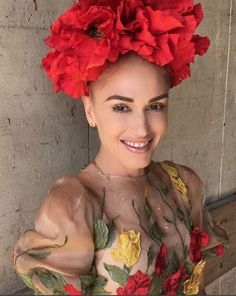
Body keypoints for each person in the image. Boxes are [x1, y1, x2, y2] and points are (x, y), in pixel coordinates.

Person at [12, 1, 229, 295]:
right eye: (121, 107)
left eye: (155, 105)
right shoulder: (74, 206)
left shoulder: (184, 185)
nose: (142, 128)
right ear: (90, 110)